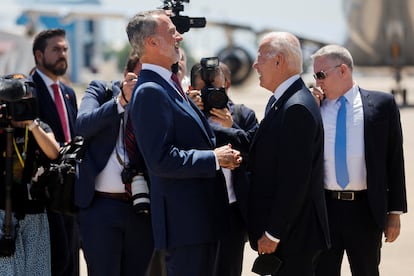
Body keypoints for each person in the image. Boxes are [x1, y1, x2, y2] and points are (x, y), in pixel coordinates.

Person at [126, 10, 242, 276]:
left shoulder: (169, 83)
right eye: (170, 32)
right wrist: (214, 158)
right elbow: (160, 160)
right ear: (151, 43)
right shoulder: (150, 91)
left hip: (201, 222)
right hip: (186, 227)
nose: (179, 36)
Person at [310, 44, 408, 276]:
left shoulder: (382, 104)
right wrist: (309, 111)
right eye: (315, 76)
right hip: (325, 210)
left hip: (365, 210)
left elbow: (394, 160)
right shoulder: (314, 106)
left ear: (343, 70)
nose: (317, 81)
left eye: (321, 75)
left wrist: (394, 212)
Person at [247, 31, 330, 276]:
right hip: (291, 233)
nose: (255, 64)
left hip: (294, 237)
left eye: (260, 57)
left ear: (279, 61)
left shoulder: (296, 108)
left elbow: (294, 180)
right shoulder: (286, 100)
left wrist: (274, 233)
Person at [75, 51, 154, 276]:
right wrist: (121, 102)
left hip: (141, 209)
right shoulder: (102, 90)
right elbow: (81, 126)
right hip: (100, 208)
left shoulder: (156, 101)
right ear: (127, 75)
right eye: (141, 76)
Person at [188, 61, 259, 276]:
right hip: (196, 210)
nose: (211, 95)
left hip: (232, 212)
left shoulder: (241, 115)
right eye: (204, 91)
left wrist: (232, 128)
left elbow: (258, 153)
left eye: (217, 90)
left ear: (226, 85)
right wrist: (189, 111)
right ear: (192, 90)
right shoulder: (184, 115)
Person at [30, 28, 79, 276]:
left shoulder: (68, 93)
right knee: (55, 261)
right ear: (39, 55)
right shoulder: (29, 91)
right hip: (44, 193)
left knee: (71, 259)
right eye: (56, 50)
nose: (62, 55)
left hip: (70, 190)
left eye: (65, 50)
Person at [0, 74, 60, 275]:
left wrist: (32, 125)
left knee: (37, 270)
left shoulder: (39, 126)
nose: (21, 108)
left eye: (27, 102)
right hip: (2, 212)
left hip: (34, 212)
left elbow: (53, 152)